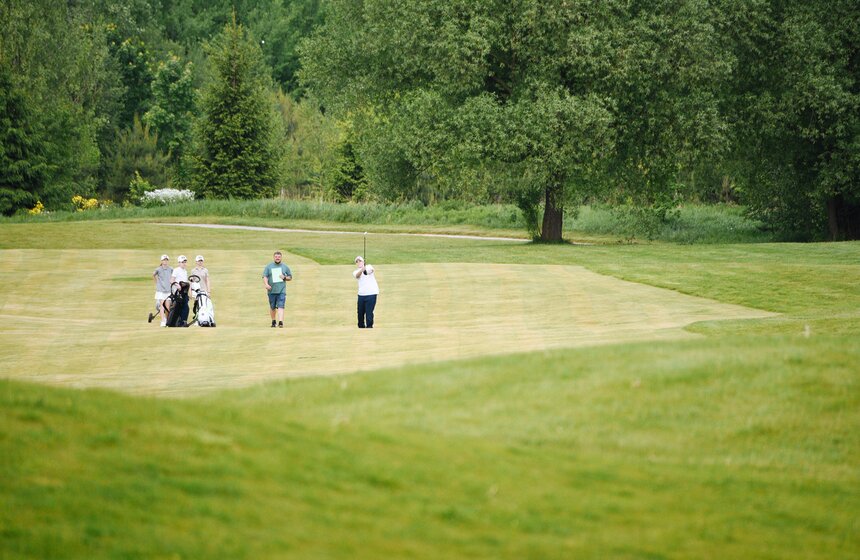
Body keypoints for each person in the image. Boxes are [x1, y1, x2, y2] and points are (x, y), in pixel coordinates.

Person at [263, 251, 292, 328]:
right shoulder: (269, 266)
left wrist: (285, 277)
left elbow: (290, 277)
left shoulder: (285, 267)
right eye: (276, 256)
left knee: (281, 306)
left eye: (279, 257)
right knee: (272, 307)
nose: (277, 258)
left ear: (281, 257)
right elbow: (265, 276)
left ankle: (280, 322)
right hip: (271, 290)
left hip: (281, 290)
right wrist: (266, 284)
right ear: (274, 257)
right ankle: (273, 321)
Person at [353, 255, 379, 328]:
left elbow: (369, 271)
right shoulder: (355, 272)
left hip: (371, 293)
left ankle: (369, 327)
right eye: (357, 262)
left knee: (369, 312)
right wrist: (361, 270)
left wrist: (364, 269)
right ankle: (361, 327)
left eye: (360, 261)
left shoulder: (369, 266)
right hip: (361, 295)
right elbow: (357, 276)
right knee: (360, 313)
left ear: (363, 262)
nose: (358, 263)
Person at [149, 254, 172, 326]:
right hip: (161, 291)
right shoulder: (158, 269)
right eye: (163, 260)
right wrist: (157, 283)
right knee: (162, 306)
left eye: (166, 260)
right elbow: (153, 275)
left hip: (168, 290)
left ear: (168, 261)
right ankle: (163, 321)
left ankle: (167, 320)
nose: (165, 261)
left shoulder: (171, 269)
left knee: (167, 306)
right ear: (161, 261)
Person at [170, 255, 190, 325]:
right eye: (182, 262)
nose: (184, 263)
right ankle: (178, 322)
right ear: (179, 263)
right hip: (177, 292)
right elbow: (171, 280)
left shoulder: (185, 271)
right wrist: (176, 284)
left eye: (185, 262)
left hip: (184, 291)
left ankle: (183, 322)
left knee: (186, 307)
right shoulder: (176, 270)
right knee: (179, 308)